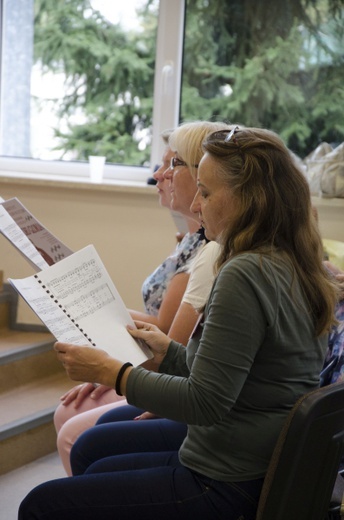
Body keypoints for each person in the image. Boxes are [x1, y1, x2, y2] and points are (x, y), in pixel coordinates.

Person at [19, 126, 338, 520]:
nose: (198, 206)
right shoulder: (288, 261)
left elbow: (204, 402)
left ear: (248, 199)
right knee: (94, 459)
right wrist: (168, 352)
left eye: (206, 193)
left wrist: (112, 373)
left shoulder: (245, 272)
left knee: (41, 504)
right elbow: (230, 374)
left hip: (224, 479)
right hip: (251, 461)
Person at [54, 121, 227, 474]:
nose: (159, 175)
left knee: (76, 433)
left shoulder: (214, 252)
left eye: (173, 164)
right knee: (76, 421)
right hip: (175, 380)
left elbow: (174, 350)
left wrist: (109, 367)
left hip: (202, 420)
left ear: (202, 174)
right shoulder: (192, 240)